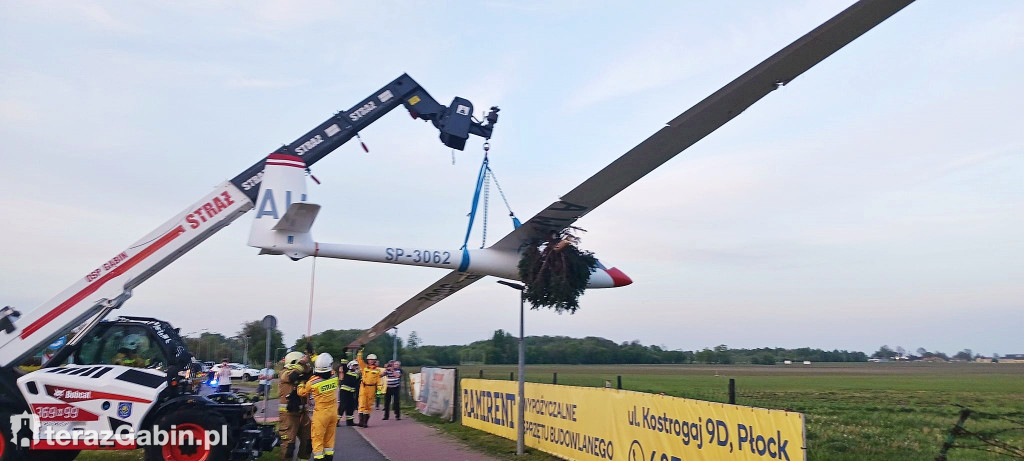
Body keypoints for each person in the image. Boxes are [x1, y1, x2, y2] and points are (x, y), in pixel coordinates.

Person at [299, 353, 338, 460]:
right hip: (333, 412)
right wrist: (314, 356)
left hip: (321, 414)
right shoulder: (334, 376)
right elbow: (327, 367)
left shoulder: (312, 382)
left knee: (317, 439)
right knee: (329, 440)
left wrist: (301, 383)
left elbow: (302, 392)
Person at [278, 351, 313, 460]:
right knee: (289, 445)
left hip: (303, 414)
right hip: (289, 415)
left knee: (308, 442)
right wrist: (302, 362)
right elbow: (292, 377)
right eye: (301, 363)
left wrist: (311, 358)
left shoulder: (302, 374)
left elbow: (310, 373)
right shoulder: (284, 373)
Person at [355, 349, 384, 427]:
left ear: (375, 361)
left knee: (368, 405)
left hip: (372, 388)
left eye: (372, 360)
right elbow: (359, 360)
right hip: (363, 387)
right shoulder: (364, 367)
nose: (371, 361)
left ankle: (365, 422)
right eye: (370, 360)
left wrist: (378, 390)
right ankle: (361, 422)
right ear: (367, 360)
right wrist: (360, 351)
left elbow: (379, 381)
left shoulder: (377, 370)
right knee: (361, 404)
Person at [338, 360, 360, 426]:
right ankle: (336, 421)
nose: (355, 367)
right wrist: (345, 352)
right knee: (342, 406)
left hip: (351, 392)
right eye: (354, 365)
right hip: (344, 392)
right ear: (350, 365)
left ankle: (350, 422)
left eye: (356, 365)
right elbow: (343, 363)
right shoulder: (346, 371)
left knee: (351, 407)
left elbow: (357, 384)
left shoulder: (357, 374)